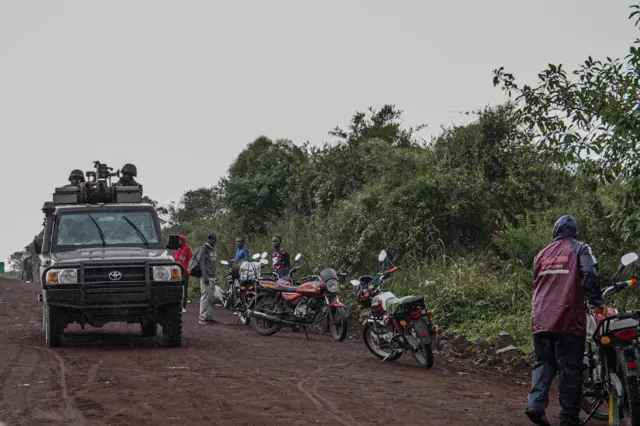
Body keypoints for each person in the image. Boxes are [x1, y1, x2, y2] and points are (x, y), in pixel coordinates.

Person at [525, 215, 606, 426]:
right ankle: (567, 419)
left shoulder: (541, 254)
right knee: (570, 370)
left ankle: (535, 404)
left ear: (555, 232)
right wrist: (596, 301)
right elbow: (588, 272)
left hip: (540, 317)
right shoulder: (580, 248)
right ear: (574, 233)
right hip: (568, 319)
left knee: (544, 363)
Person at [197, 233, 218, 324]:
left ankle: (208, 317)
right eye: (210, 238)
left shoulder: (213, 249)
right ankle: (202, 318)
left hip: (212, 276)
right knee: (205, 297)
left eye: (213, 238)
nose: (212, 240)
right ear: (208, 239)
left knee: (211, 298)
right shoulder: (204, 248)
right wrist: (204, 276)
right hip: (206, 276)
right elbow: (201, 263)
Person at [173, 235, 193, 313]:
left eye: (180, 240)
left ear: (183, 241)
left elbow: (191, 260)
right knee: (176, 288)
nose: (179, 242)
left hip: (184, 271)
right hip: (176, 270)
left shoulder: (187, 249)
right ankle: (176, 306)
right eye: (178, 240)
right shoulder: (176, 249)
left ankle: (183, 306)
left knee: (184, 288)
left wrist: (188, 269)